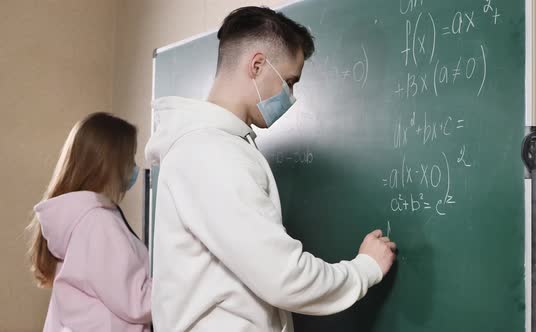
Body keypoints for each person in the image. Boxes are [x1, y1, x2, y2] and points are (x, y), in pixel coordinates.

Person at [146, 6, 396, 332]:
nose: (291, 97)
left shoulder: (220, 146)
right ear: (257, 65)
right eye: (289, 82)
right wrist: (365, 269)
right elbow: (284, 276)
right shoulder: (211, 153)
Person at [27, 113, 152, 332]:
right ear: (109, 163)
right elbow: (137, 302)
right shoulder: (98, 223)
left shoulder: (76, 221)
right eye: (129, 159)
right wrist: (183, 281)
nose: (134, 169)